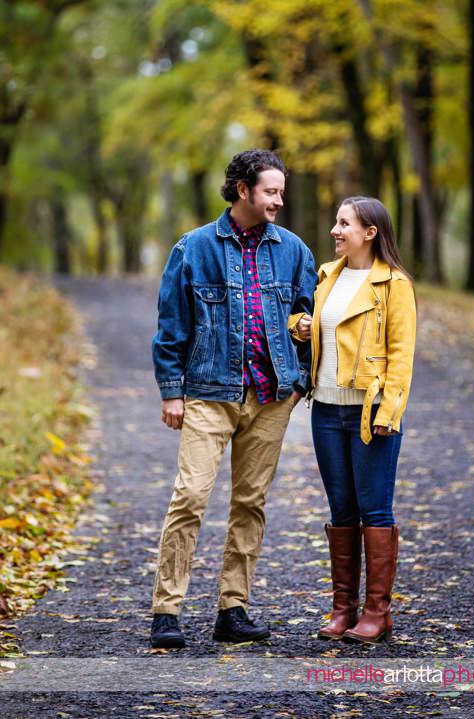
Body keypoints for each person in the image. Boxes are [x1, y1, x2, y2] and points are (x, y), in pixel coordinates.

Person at [150, 149, 317, 649]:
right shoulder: (193, 248)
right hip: (208, 393)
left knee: (251, 502)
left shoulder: (294, 252)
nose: (279, 201)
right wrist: (172, 391)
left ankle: (233, 608)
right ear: (243, 190)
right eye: (271, 191)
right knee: (191, 496)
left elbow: (311, 320)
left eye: (281, 192)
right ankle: (166, 611)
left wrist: (300, 379)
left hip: (271, 399)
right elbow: (172, 326)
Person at [292, 196, 416, 644]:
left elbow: (401, 355)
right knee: (341, 509)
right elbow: (308, 322)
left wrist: (390, 411)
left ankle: (377, 612)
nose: (334, 231)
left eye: (344, 224)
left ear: (370, 232)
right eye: (335, 222)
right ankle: (342, 608)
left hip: (369, 411)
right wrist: (300, 326)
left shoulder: (393, 285)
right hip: (325, 409)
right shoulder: (328, 276)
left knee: (374, 509)